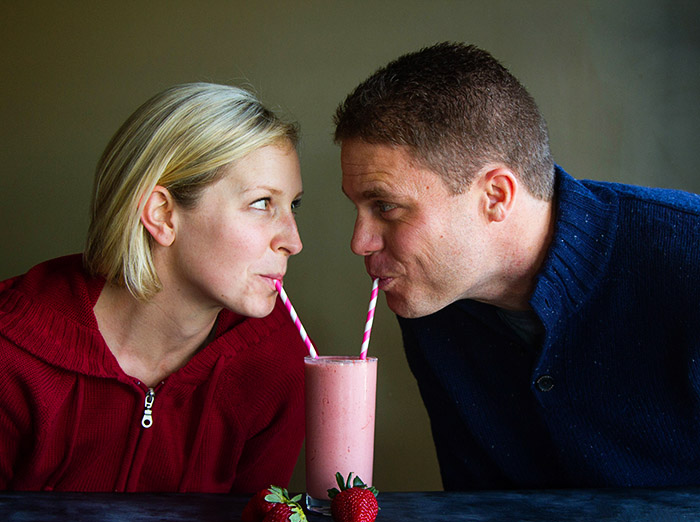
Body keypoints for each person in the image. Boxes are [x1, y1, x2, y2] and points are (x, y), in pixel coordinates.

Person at [334, 42, 700, 490]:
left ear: (496, 196)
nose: (360, 242)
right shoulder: (434, 299)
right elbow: (476, 513)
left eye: (386, 206)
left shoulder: (686, 255)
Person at [0, 83, 309, 493]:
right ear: (162, 215)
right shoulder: (11, 353)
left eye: (293, 205)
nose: (293, 240)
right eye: (262, 203)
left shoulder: (279, 361)